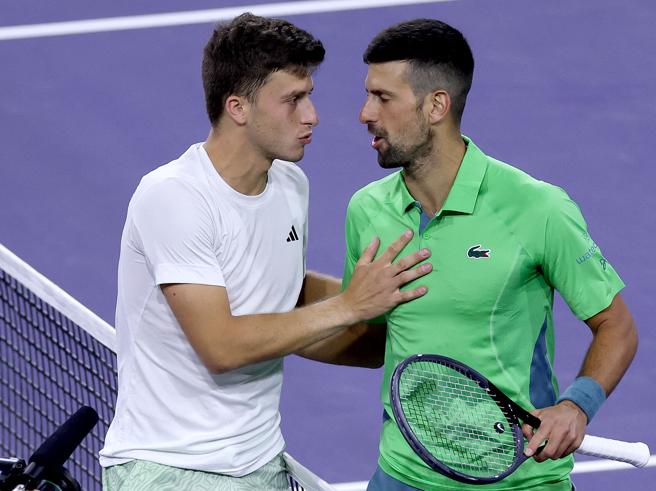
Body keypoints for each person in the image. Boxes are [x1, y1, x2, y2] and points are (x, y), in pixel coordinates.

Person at [99, 13, 432, 490]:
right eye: (293, 99)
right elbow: (223, 346)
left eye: (309, 95)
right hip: (171, 471)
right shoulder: (173, 197)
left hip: (262, 465)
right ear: (238, 107)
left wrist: (402, 319)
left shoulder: (290, 185)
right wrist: (350, 305)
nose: (312, 114)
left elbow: (284, 303)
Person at [341, 18, 639, 490]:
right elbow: (370, 335)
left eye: (383, 97)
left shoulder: (537, 207)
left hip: (518, 479)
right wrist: (282, 325)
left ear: (436, 105)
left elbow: (616, 326)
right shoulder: (367, 210)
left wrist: (576, 405)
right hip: (404, 473)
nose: (364, 113)